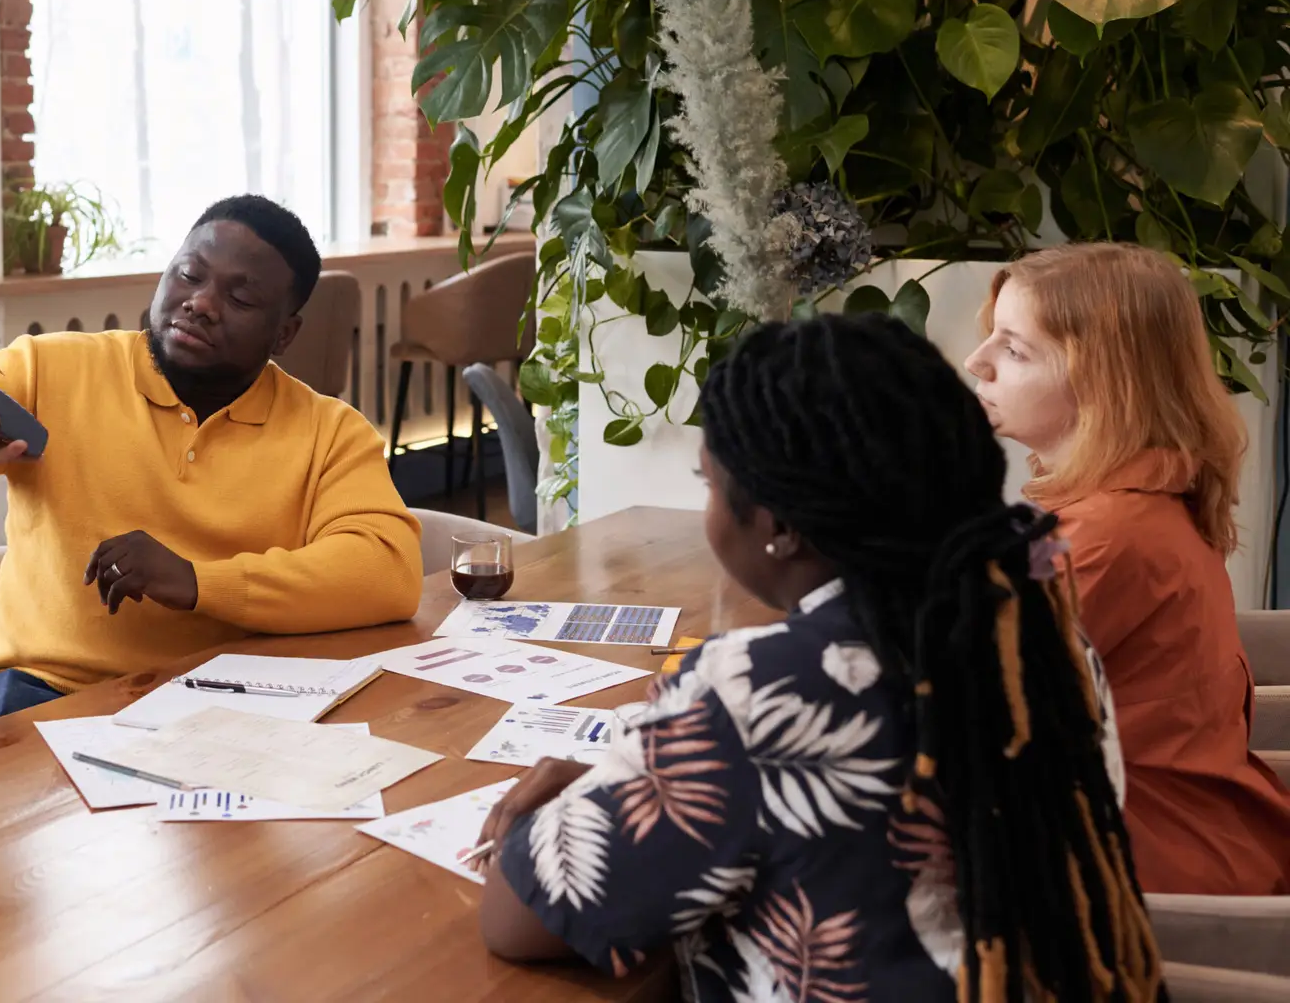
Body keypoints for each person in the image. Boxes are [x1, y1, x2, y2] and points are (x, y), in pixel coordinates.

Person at [474, 314, 1165, 1002]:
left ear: (777, 527)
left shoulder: (759, 691)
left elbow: (517, 920)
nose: (708, 508)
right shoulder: (1039, 632)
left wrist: (616, 793)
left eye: (709, 484)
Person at [0, 195, 424, 722]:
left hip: (232, 699)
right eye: (188, 274)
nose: (201, 303)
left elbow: (387, 573)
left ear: (284, 334)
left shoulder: (329, 431)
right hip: (49, 690)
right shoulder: (46, 371)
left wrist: (199, 582)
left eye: (241, 297)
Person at [965, 243, 1290, 895]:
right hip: (1186, 832)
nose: (977, 361)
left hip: (1143, 872)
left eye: (1015, 349)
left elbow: (951, 704)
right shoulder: (1132, 500)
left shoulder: (1104, 536)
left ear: (1103, 383)